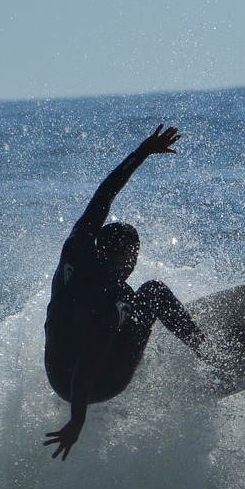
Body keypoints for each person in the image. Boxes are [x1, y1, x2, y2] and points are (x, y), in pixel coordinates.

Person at [42, 124, 203, 460]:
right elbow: (89, 358)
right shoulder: (114, 294)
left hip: (55, 375)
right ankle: (209, 353)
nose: (133, 264)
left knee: (118, 318)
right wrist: (77, 419)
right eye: (133, 257)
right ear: (125, 257)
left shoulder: (76, 248)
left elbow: (104, 195)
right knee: (154, 293)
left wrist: (141, 153)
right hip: (100, 386)